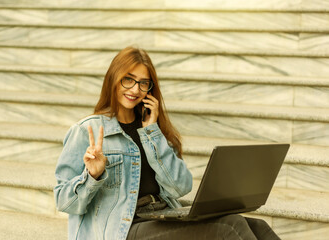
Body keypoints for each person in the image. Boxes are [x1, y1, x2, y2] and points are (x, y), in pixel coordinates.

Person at [54, 46, 280, 240]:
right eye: (128, 79)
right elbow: (64, 202)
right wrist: (92, 176)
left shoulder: (152, 129)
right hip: (121, 230)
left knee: (255, 225)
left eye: (144, 83)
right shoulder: (87, 131)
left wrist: (152, 133)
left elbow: (180, 187)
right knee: (229, 228)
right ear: (113, 78)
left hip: (159, 215)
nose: (135, 90)